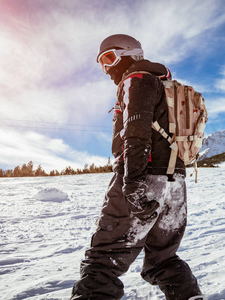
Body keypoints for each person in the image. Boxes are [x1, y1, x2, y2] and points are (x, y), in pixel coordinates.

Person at [71, 34, 205, 300]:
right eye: (101, 62)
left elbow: (136, 131)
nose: (106, 68)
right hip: (174, 185)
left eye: (108, 58)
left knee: (103, 261)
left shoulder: (137, 79)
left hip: (143, 178)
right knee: (163, 260)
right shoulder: (164, 85)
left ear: (130, 52)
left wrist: (132, 183)